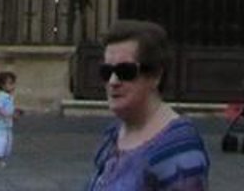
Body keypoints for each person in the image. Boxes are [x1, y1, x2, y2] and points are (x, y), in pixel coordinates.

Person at [86, 20, 209, 189]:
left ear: (156, 76)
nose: (113, 81)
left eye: (125, 71)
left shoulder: (179, 148)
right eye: (106, 72)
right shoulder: (113, 135)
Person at [0, 67, 19, 165]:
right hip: (0, 126)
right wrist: (8, 115)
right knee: (0, 142)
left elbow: (10, 108)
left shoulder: (9, 97)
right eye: (10, 83)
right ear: (2, 85)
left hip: (7, 125)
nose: (12, 86)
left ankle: (1, 157)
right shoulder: (2, 96)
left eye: (13, 83)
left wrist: (14, 114)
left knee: (8, 143)